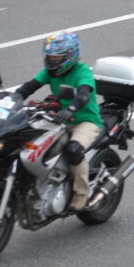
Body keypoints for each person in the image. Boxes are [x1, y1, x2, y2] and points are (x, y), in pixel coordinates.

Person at [15, 31, 103, 211]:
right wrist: (11, 99)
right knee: (28, 143)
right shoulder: (50, 72)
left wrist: (70, 109)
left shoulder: (83, 71)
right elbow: (30, 86)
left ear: (71, 56)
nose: (52, 61)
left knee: (73, 150)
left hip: (84, 121)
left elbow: (83, 94)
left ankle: (81, 194)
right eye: (50, 57)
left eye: (57, 58)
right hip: (58, 119)